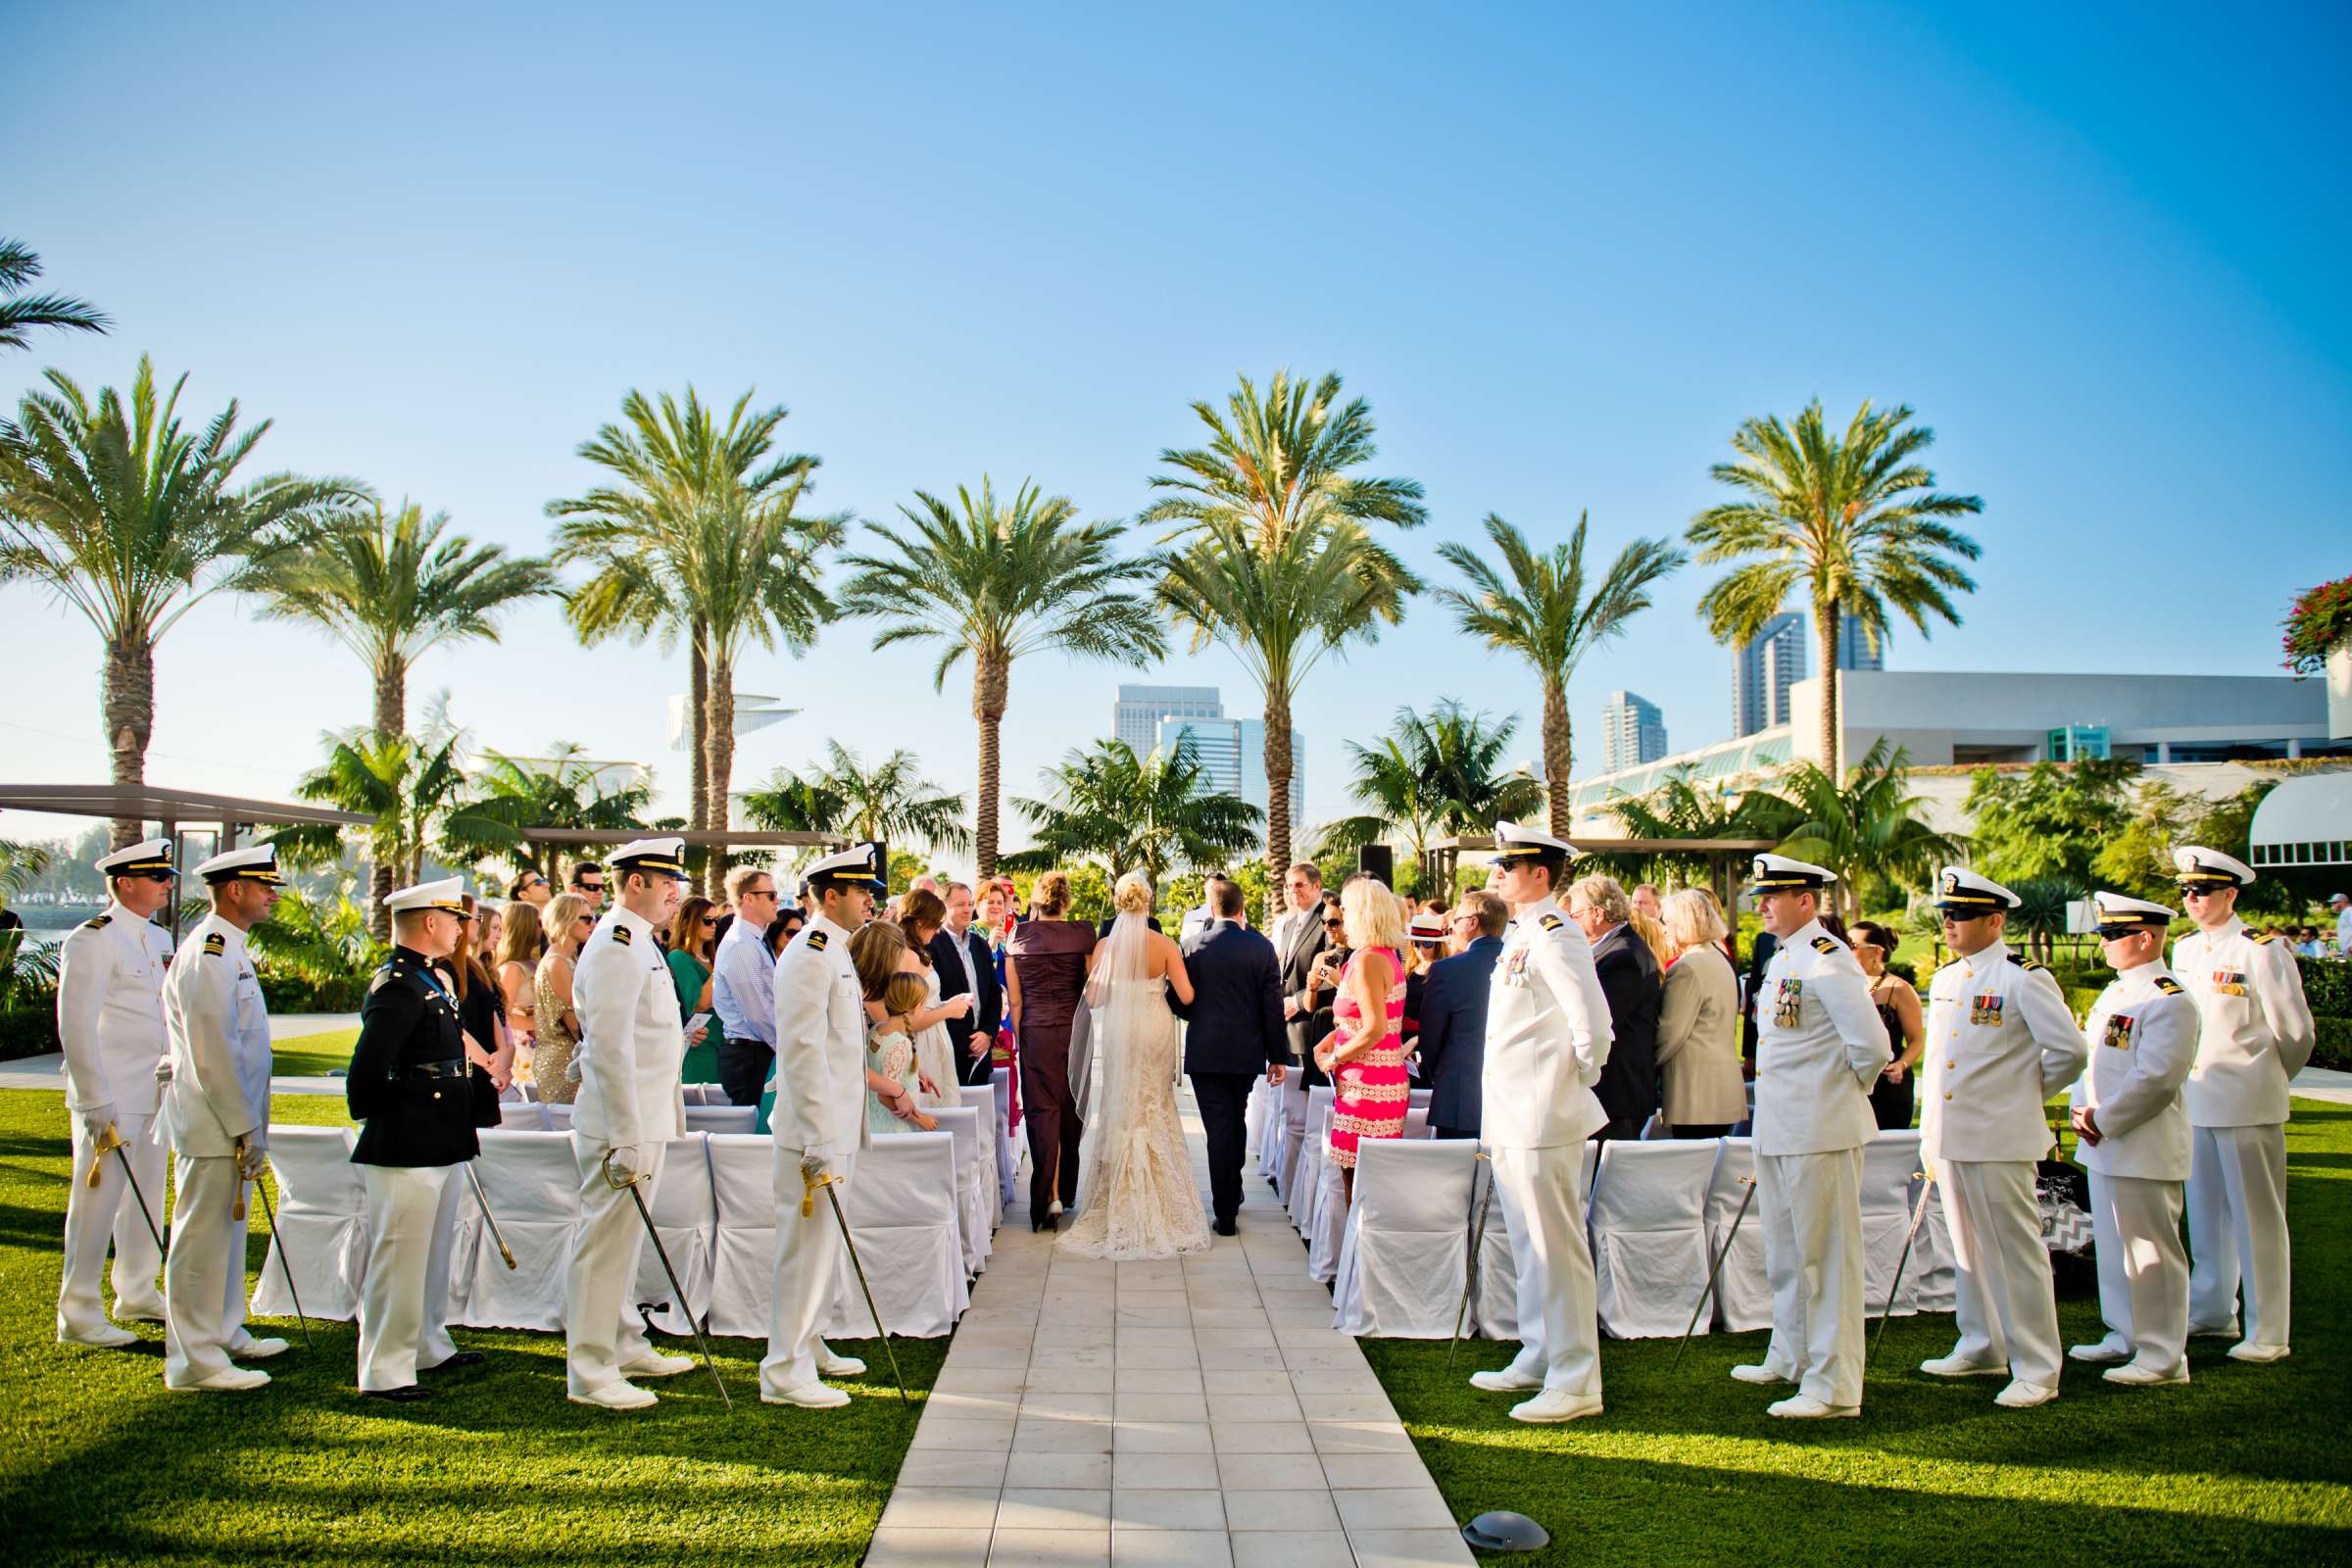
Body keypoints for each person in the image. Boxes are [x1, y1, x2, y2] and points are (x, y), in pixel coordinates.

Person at [1915, 866, 2085, 1410]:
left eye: (1961, 914)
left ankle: (2037, 1366)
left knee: (2017, 1250)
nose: (1950, 923)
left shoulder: (2021, 976)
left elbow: (2069, 1052)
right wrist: (1930, 1132)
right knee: (1968, 1247)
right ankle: (1982, 1342)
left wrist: (2021, 1093)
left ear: (1995, 919)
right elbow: (1940, 1065)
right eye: (1947, 913)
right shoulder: (1947, 979)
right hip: (1954, 1134)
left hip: (2001, 1134)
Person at [1468, 822, 1613, 1424]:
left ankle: (1577, 1376)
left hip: (1542, 1114)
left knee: (1557, 1248)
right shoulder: (1524, 933)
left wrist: (1566, 1085)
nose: (1497, 873)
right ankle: (1539, 1352)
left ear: (1541, 875)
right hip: (1513, 1114)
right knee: (1529, 1245)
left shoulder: (1556, 933)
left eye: (1510, 865)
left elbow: (1594, 1028)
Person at [1736, 853, 1885, 1419]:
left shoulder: (1828, 958)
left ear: (1806, 900)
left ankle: (1833, 1384)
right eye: (1762, 896)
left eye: (1774, 896)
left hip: (1819, 1127)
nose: (1764, 905)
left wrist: (1837, 1098)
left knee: (1826, 1259)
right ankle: (1790, 1353)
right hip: (1781, 1126)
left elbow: (1870, 1046)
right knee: (1786, 1251)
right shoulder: (1784, 957)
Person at [563, 838, 694, 1411]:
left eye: (676, 881)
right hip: (624, 1122)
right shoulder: (617, 945)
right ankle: (590, 1371)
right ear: (634, 881)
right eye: (665, 880)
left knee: (625, 1242)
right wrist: (622, 1135)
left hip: (644, 1118)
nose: (674, 891)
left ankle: (622, 1341)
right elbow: (610, 1050)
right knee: (604, 1245)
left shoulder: (638, 943)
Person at [2169, 846, 2314, 1364]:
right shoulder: (2185, 951)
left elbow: (2295, 1033)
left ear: (2230, 894)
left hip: (2249, 1101)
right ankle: (2211, 1310)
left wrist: (2265, 1079)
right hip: (2199, 1098)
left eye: (2202, 890)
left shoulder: (2261, 949)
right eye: (2186, 890)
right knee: (2207, 1215)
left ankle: (2270, 1331)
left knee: (2259, 1219)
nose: (2192, 899)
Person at [157, 844, 288, 1392]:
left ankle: (225, 1329)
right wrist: (243, 1127)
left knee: (228, 1237)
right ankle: (194, 1361)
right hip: (215, 1122)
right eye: (263, 886)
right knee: (200, 1242)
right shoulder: (208, 952)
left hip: (230, 1120)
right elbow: (213, 1052)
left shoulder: (229, 947)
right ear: (234, 890)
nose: (271, 895)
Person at [348, 877, 485, 1402]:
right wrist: (407, 1116)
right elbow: (365, 1076)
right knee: (399, 1257)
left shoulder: (434, 979)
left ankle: (428, 1342)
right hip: (408, 1140)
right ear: (430, 922)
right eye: (453, 919)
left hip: (442, 1135)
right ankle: (384, 1368)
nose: (459, 929)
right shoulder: (399, 985)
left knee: (430, 1254)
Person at [762, 842, 889, 1409]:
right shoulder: (810, 953)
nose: (869, 900)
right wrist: (817, 1133)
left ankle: (809, 1343)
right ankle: (784, 1370)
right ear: (829, 895)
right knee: (805, 1250)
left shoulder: (834, 949)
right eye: (861, 891)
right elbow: (803, 1051)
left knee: (824, 1248)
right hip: (815, 1129)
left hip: (836, 1124)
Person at [2068, 891, 2200, 1387]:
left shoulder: (2168, 999)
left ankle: (2164, 1355)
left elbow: (2157, 1080)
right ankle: (2124, 1333)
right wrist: (2083, 1113)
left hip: (2141, 1143)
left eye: (2112, 935)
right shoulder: (2119, 991)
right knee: (2116, 1246)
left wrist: (2103, 1119)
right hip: (2103, 1140)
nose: (2104, 944)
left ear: (2145, 938)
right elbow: (2094, 1061)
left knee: (2152, 1251)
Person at [54, 838, 176, 1348]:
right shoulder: (93, 938)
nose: (167, 883)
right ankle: (79, 1311)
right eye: (157, 876)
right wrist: (92, 1097)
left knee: (147, 1195)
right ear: (125, 882)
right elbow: (75, 1024)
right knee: (96, 1201)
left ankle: (137, 1288)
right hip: (110, 1092)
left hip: (152, 1092)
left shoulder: (160, 939)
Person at [1052, 872, 1207, 1258]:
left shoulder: (1105, 946)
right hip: (1154, 1028)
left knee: (1122, 1106)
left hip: (1121, 1031)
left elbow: (1096, 999)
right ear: (1149, 902)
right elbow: (1187, 995)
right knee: (1154, 1102)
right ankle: (1165, 1204)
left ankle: (1118, 1200)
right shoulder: (1165, 944)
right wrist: (1160, 985)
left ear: (1118, 902)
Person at [1169, 876, 1286, 1235]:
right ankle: (1230, 1194)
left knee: (1219, 1128)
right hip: (1246, 1052)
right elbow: (1272, 1007)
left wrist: (1199, 1015)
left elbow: (1178, 1001)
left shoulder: (1190, 947)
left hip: (1205, 1051)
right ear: (1242, 909)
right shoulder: (1261, 948)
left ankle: (1226, 1211)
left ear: (1213, 909)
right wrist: (1276, 1056)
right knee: (1234, 1121)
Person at [1006, 871, 1098, 1232]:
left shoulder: (1018, 936)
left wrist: (1021, 1037)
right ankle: (1065, 1192)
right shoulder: (1083, 933)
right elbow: (1092, 988)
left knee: (1042, 1112)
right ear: (1066, 901)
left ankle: (1047, 1196)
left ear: (1036, 901)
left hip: (1035, 1032)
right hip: (1076, 1031)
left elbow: (1015, 1000)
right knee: (1071, 1109)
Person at [1318, 877, 1409, 1199]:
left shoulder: (1371, 958)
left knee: (1360, 1185)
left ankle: (1360, 1249)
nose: (1341, 912)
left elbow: (1375, 1029)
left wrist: (1334, 1058)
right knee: (1355, 1180)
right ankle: (1357, 1248)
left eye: (1346, 906)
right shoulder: (1376, 955)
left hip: (1370, 1084)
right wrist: (1334, 1037)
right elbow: (1361, 1018)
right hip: (1361, 1079)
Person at [1568, 874, 1661, 1141]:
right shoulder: (1614, 947)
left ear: (1597, 913)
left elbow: (1600, 1019)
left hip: (1616, 1093)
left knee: (1605, 1179)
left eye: (1575, 915)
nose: (1572, 922)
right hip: (1611, 1093)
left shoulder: (1622, 955)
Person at [1416, 889, 1507, 1141]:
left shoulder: (1447, 970)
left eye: (1455, 921)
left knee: (1456, 1177)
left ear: (1472, 923)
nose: (1452, 928)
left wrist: (1443, 1075)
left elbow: (1431, 1038)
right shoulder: (1519, 960)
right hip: (1510, 1096)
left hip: (1459, 1095)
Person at [1655, 888, 1745, 1139]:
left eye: (1667, 922)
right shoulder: (1718, 958)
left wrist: (1645, 1065)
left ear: (1684, 924)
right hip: (1722, 1086)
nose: (1663, 929)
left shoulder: (1687, 967)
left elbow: (1670, 1032)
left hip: (1696, 1091)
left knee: (1695, 1168)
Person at [711, 865, 783, 1107]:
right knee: (753, 1140)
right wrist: (789, 1050)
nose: (777, 901)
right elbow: (758, 1013)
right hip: (750, 1055)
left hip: (758, 1051)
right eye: (771, 895)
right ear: (748, 898)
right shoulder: (741, 944)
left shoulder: (753, 939)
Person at [894, 887, 967, 1105]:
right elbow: (907, 1020)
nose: (937, 931)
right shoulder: (906, 956)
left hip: (935, 1038)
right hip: (922, 1044)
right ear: (919, 922)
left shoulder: (917, 952)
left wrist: (947, 1004)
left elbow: (925, 1005)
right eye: (935, 924)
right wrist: (948, 1011)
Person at [1850, 920, 1924, 1130]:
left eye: (1853, 945)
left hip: (1888, 1085)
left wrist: (1901, 1064)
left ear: (1876, 951)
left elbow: (1916, 1040)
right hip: (1853, 1083)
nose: (1847, 950)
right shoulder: (1845, 984)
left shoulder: (1899, 988)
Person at [449, 894, 514, 1125]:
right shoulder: (443, 968)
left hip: (489, 1067)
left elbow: (492, 1012)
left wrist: (502, 1057)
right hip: (470, 1068)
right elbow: (453, 1024)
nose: (479, 923)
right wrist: (490, 1063)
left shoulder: (473, 966)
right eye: (476, 918)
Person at [934, 880, 1003, 1088]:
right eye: (960, 905)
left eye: (970, 904)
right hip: (948, 1050)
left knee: (980, 1116)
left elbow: (993, 993)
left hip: (981, 1050)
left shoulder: (979, 944)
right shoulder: (932, 944)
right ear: (942, 906)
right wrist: (965, 1040)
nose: (967, 910)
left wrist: (988, 1032)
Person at [532, 894, 593, 1103]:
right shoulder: (557, 962)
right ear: (566, 920)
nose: (592, 923)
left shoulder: (567, 958)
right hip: (562, 1062)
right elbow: (574, 1023)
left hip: (571, 1057)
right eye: (585, 918)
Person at [865, 973, 941, 1135]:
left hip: (874, 1126)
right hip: (894, 1130)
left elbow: (884, 1071)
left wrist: (913, 1076)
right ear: (915, 1007)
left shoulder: (875, 1030)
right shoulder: (901, 1044)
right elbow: (885, 1097)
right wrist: (920, 1119)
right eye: (924, 1005)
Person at [665, 895, 720, 1086]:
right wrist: (720, 966)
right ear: (688, 922)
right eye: (707, 920)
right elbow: (700, 1002)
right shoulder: (679, 957)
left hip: (721, 1046)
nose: (713, 925)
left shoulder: (712, 958)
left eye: (716, 920)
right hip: (699, 1048)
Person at [495, 902, 544, 1056]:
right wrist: (542, 1024)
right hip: (524, 1048)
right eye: (538, 923)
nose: (542, 928)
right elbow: (504, 1016)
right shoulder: (512, 969)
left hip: (539, 1042)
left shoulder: (532, 962)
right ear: (526, 927)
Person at [1270, 861, 1324, 961]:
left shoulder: (1328, 921)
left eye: (1299, 885)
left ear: (1316, 885)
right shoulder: (1289, 924)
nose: (1293, 890)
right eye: (1290, 886)